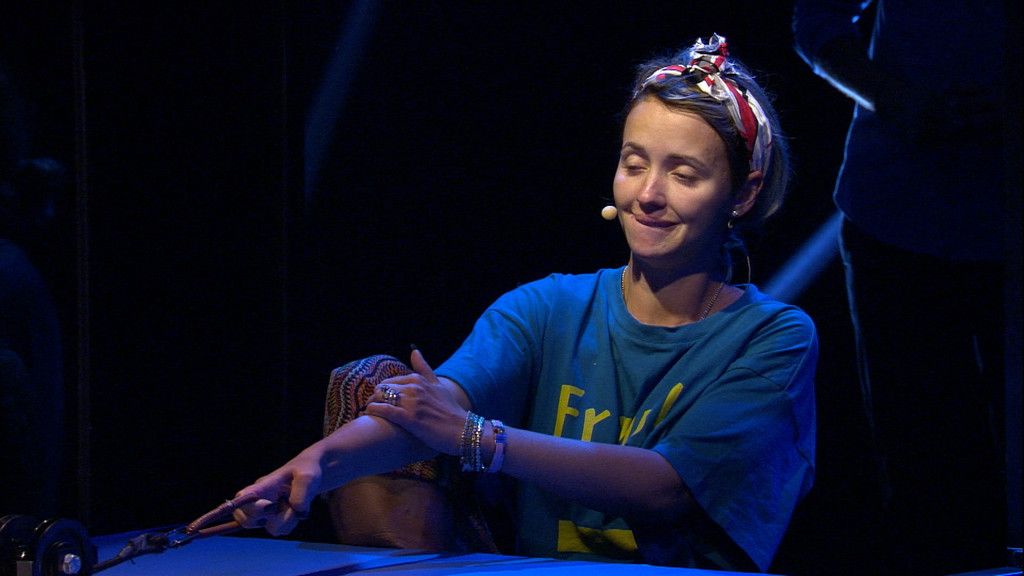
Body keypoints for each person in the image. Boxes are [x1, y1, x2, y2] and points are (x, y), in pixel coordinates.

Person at [233, 34, 817, 572]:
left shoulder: (773, 336)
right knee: (370, 380)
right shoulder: (548, 306)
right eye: (633, 164)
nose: (647, 194)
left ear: (743, 193)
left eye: (683, 174)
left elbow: (666, 487)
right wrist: (312, 466)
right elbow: (437, 410)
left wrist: (476, 437)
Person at [793, 2, 1008, 574]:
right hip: (898, 216)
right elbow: (818, 23)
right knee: (920, 467)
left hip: (924, 215)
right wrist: (899, 99)